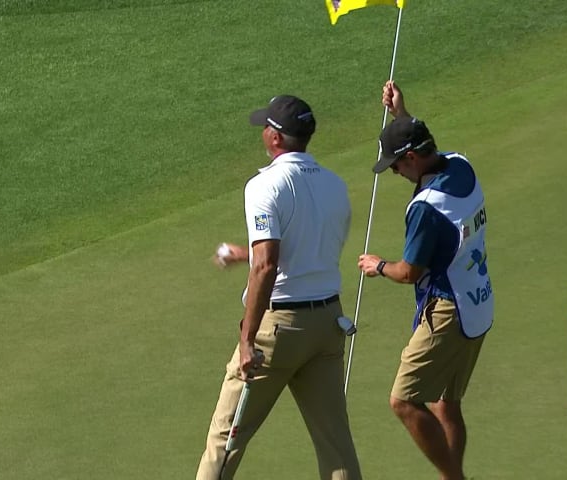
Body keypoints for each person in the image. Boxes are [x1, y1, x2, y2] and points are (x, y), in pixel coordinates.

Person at [197, 95, 362, 480]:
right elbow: (304, 250)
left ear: (274, 138)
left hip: (279, 330)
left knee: (225, 442)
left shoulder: (264, 186)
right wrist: (246, 254)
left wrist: (247, 338)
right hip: (328, 325)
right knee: (336, 443)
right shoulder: (336, 186)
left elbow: (267, 265)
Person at [358, 81, 494, 480]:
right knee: (445, 404)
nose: (396, 171)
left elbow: (409, 272)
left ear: (413, 158)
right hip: (479, 301)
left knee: (403, 401)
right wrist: (403, 116)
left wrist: (377, 265)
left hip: (448, 311)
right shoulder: (460, 164)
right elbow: (432, 152)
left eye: (397, 164)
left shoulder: (425, 209)